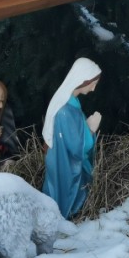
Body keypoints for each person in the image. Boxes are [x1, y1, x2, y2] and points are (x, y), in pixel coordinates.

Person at [42, 57, 102, 219]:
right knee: (63, 197)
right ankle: (63, 220)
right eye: (93, 83)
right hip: (65, 165)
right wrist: (91, 129)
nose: (94, 89)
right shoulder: (65, 110)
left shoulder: (70, 102)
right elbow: (77, 148)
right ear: (84, 80)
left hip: (61, 160)